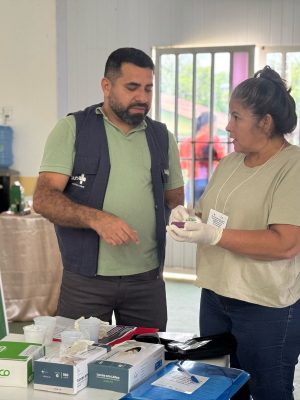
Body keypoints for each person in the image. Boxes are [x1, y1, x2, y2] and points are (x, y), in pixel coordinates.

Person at [167, 65, 300, 399]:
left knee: (270, 389)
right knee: (221, 386)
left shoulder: (292, 167)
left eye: (236, 117)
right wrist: (189, 217)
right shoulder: (229, 163)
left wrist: (213, 236)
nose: (226, 126)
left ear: (265, 122)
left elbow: (285, 244)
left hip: (265, 304)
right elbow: (215, 216)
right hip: (216, 295)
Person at [33, 47, 184, 331]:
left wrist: (189, 219)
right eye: (132, 87)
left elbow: (175, 201)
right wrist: (96, 218)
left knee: (147, 362)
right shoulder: (72, 129)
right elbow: (43, 199)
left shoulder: (163, 137)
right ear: (106, 85)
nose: (142, 97)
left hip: (147, 283)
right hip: (86, 282)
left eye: (148, 89)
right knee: (77, 362)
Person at [179, 112, 225, 204]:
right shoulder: (214, 140)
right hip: (210, 182)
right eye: (216, 124)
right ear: (210, 124)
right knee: (210, 215)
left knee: (192, 215)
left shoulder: (187, 142)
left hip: (192, 183)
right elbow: (223, 160)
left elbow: (183, 165)